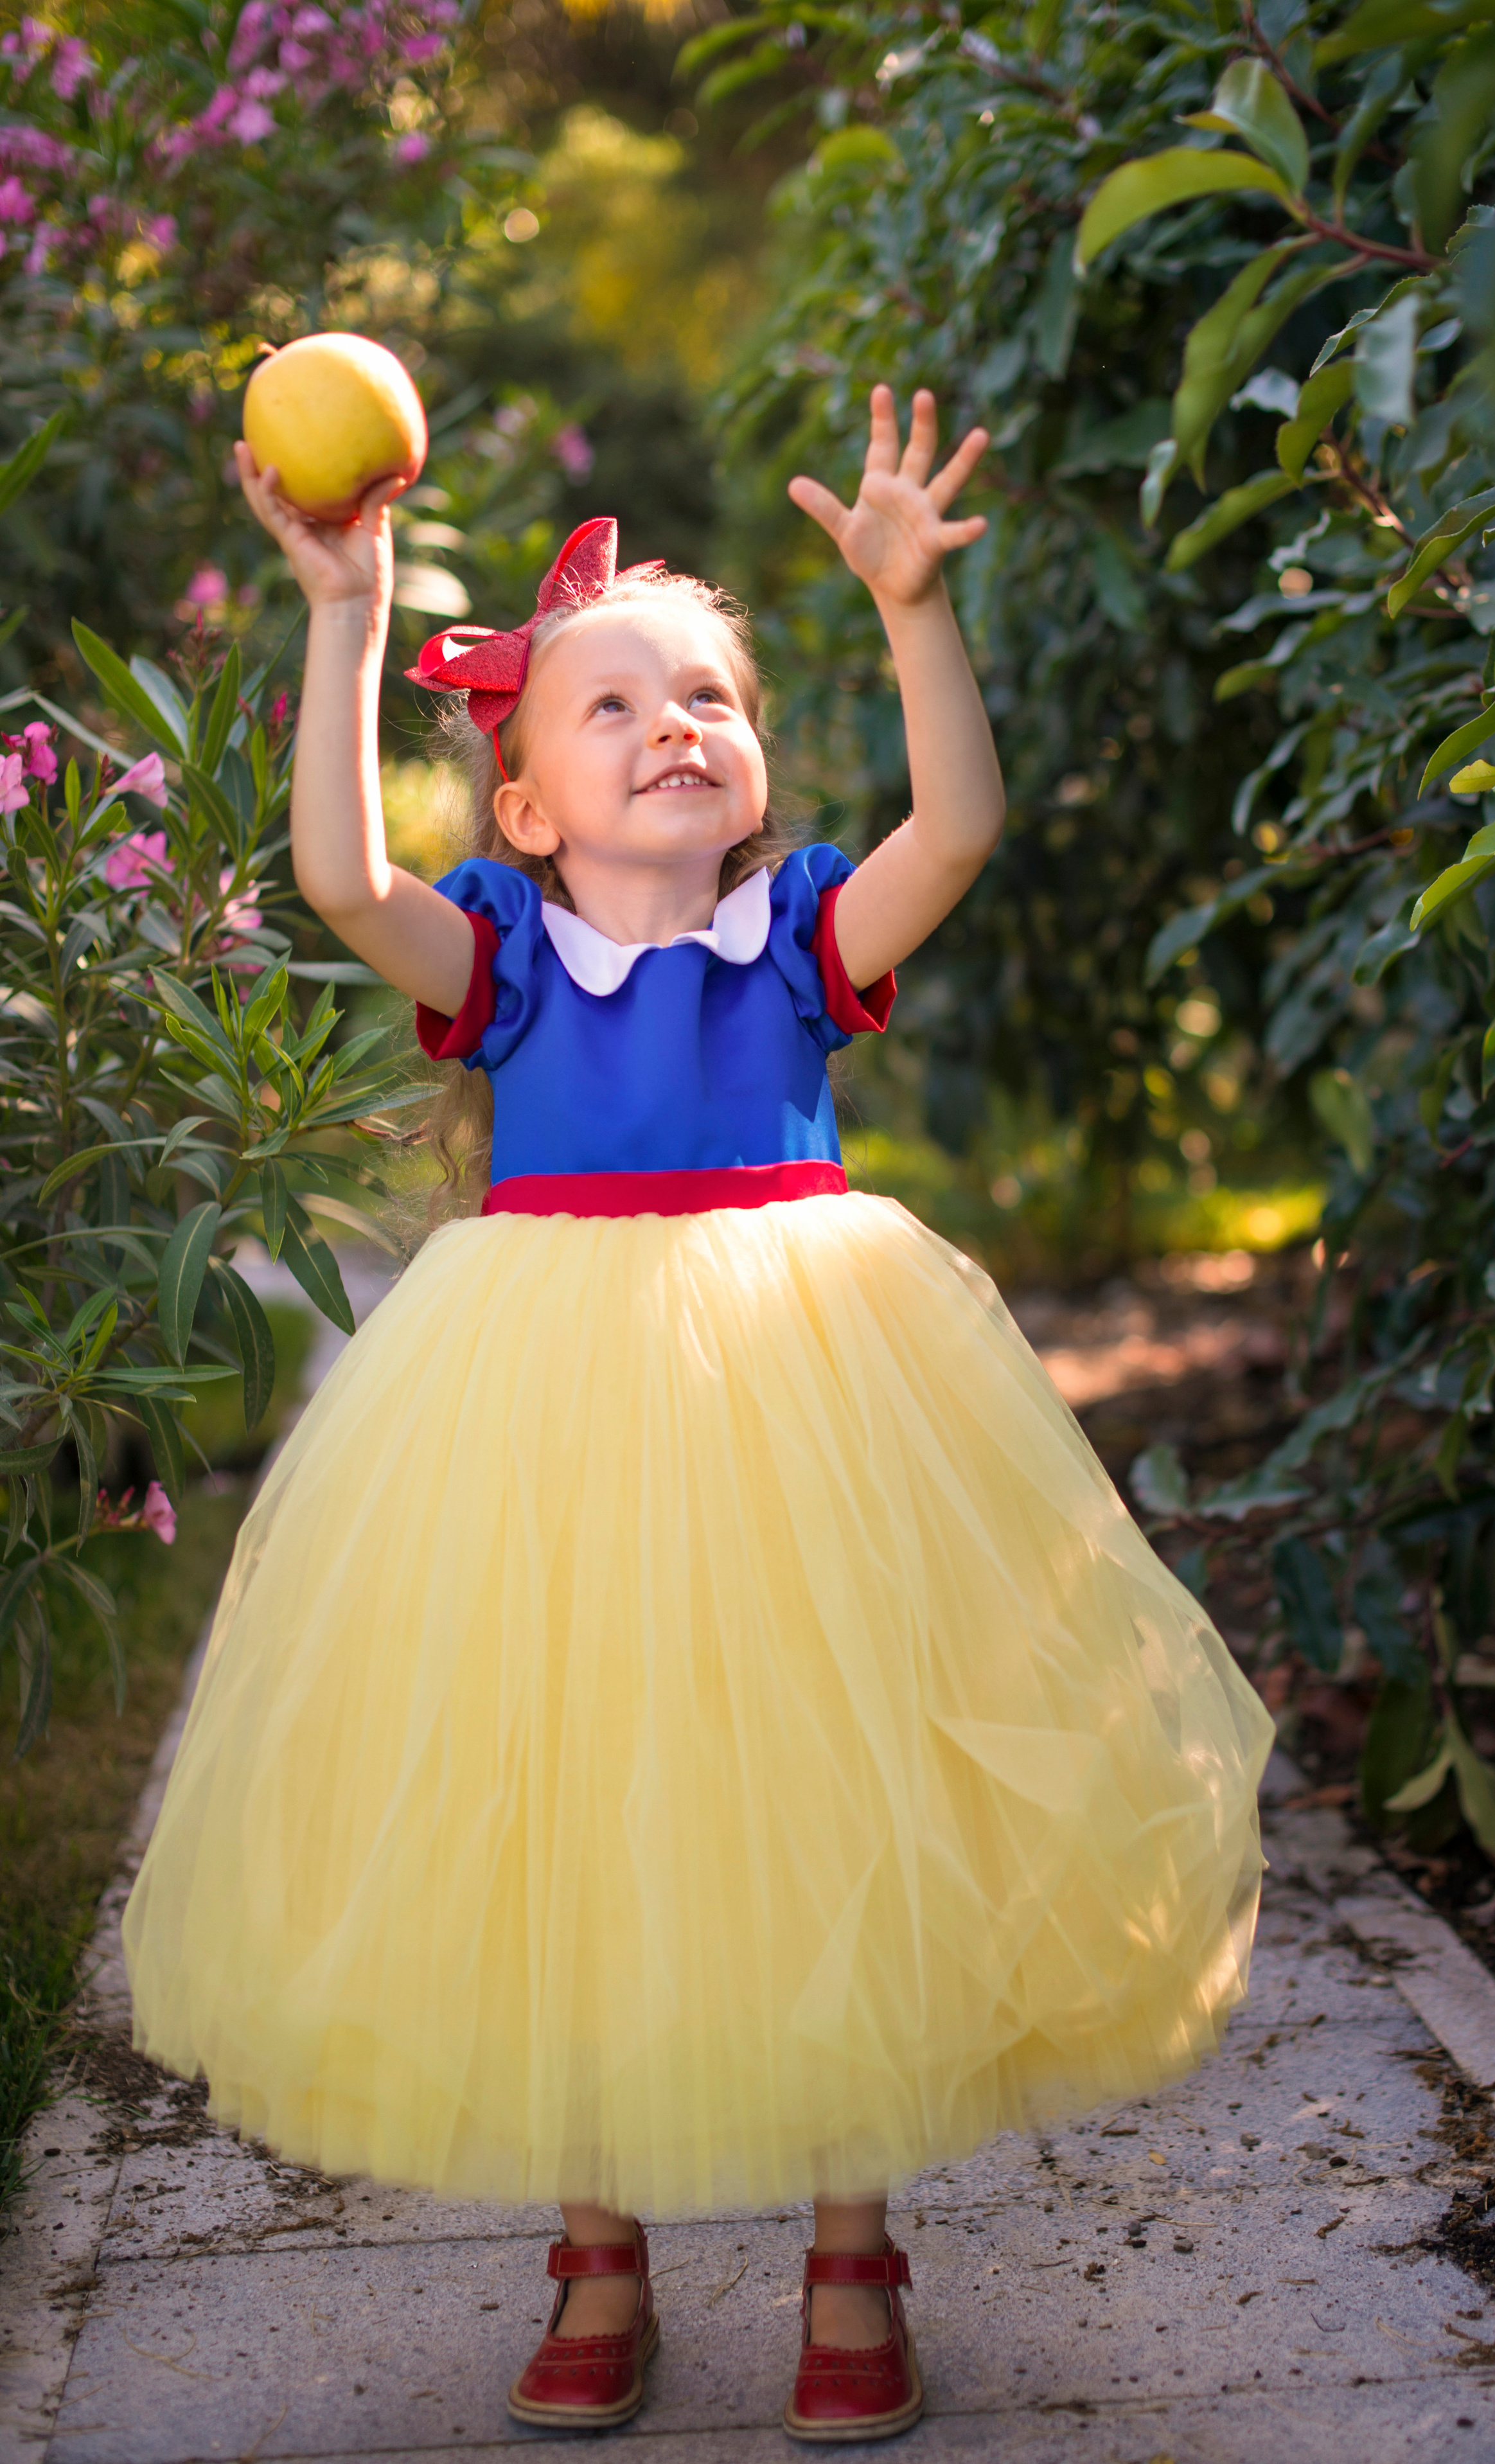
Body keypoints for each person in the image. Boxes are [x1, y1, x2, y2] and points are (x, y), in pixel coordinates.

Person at [123, 385, 1274, 2445]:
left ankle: (854, 2245)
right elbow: (334, 872)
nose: (678, 721)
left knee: (830, 1776)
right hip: (540, 1400)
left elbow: (966, 829)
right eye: (615, 702)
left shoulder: (800, 939)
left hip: (808, 1385)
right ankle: (599, 2241)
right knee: (569, 1782)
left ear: (749, 768)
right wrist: (348, 613)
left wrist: (916, 612)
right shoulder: (503, 956)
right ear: (535, 806)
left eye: (714, 695)